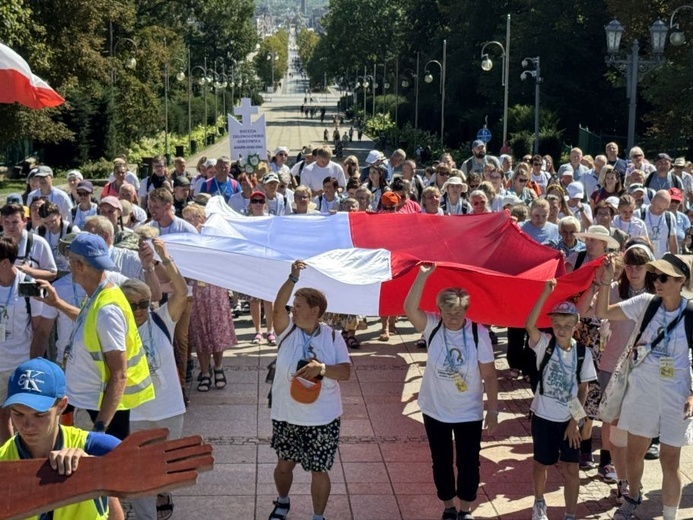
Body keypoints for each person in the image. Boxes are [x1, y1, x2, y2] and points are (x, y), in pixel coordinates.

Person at [595, 253, 693, 520]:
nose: (657, 282)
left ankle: (670, 516)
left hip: (676, 397)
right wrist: (605, 282)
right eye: (655, 276)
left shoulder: (691, 313)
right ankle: (633, 497)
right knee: (635, 453)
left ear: (680, 280)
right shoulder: (647, 303)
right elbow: (602, 312)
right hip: (641, 394)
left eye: (663, 277)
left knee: (670, 460)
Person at [404, 263, 498, 520]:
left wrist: (493, 410)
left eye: (458, 312)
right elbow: (409, 309)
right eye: (448, 311)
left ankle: (466, 508)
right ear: (440, 310)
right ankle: (448, 505)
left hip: (468, 411)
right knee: (441, 461)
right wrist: (422, 277)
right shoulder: (432, 326)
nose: (453, 317)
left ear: (466, 310)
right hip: (435, 409)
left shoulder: (478, 333)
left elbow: (489, 375)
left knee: (469, 463)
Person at [37, 233, 154, 440]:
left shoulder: (106, 310)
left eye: (70, 261)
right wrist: (57, 304)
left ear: (80, 266)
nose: (68, 266)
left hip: (98, 412)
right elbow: (87, 320)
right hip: (91, 404)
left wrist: (100, 429)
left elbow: (119, 374)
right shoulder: (101, 295)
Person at [267, 260, 351, 520]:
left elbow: (345, 373)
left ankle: (318, 516)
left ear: (315, 311)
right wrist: (292, 279)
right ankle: (282, 501)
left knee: (319, 470)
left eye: (299, 306)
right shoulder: (286, 331)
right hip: (287, 414)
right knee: (284, 466)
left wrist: (322, 369)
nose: (293, 310)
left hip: (322, 418)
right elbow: (277, 306)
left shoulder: (333, 337)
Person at [0, 357, 124, 519]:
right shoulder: (3, 461)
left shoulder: (91, 446)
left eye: (40, 414)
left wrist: (93, 469)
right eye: (18, 413)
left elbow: (140, 464)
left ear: (61, 406)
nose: (27, 425)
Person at [578, 243, 655, 503]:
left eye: (639, 266)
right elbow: (582, 311)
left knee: (639, 428)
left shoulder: (657, 294)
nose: (634, 271)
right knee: (615, 425)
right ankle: (624, 482)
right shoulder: (614, 290)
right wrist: (598, 284)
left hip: (646, 370)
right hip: (612, 366)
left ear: (649, 267)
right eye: (630, 265)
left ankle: (632, 477)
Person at [122, 238, 187, 520]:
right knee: (138, 470)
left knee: (166, 464)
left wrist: (163, 258)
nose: (138, 310)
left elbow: (182, 294)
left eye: (142, 304)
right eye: (131, 305)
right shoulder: (115, 329)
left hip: (169, 408)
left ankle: (163, 489)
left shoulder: (162, 319)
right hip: (135, 411)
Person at [525, 283, 597, 520]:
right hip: (543, 416)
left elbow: (583, 389)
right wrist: (545, 293)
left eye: (567, 325)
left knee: (571, 468)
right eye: (557, 325)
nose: (561, 329)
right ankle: (539, 503)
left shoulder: (582, 353)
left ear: (576, 325)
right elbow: (529, 325)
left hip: (568, 420)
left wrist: (574, 422)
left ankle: (570, 514)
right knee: (540, 463)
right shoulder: (544, 344)